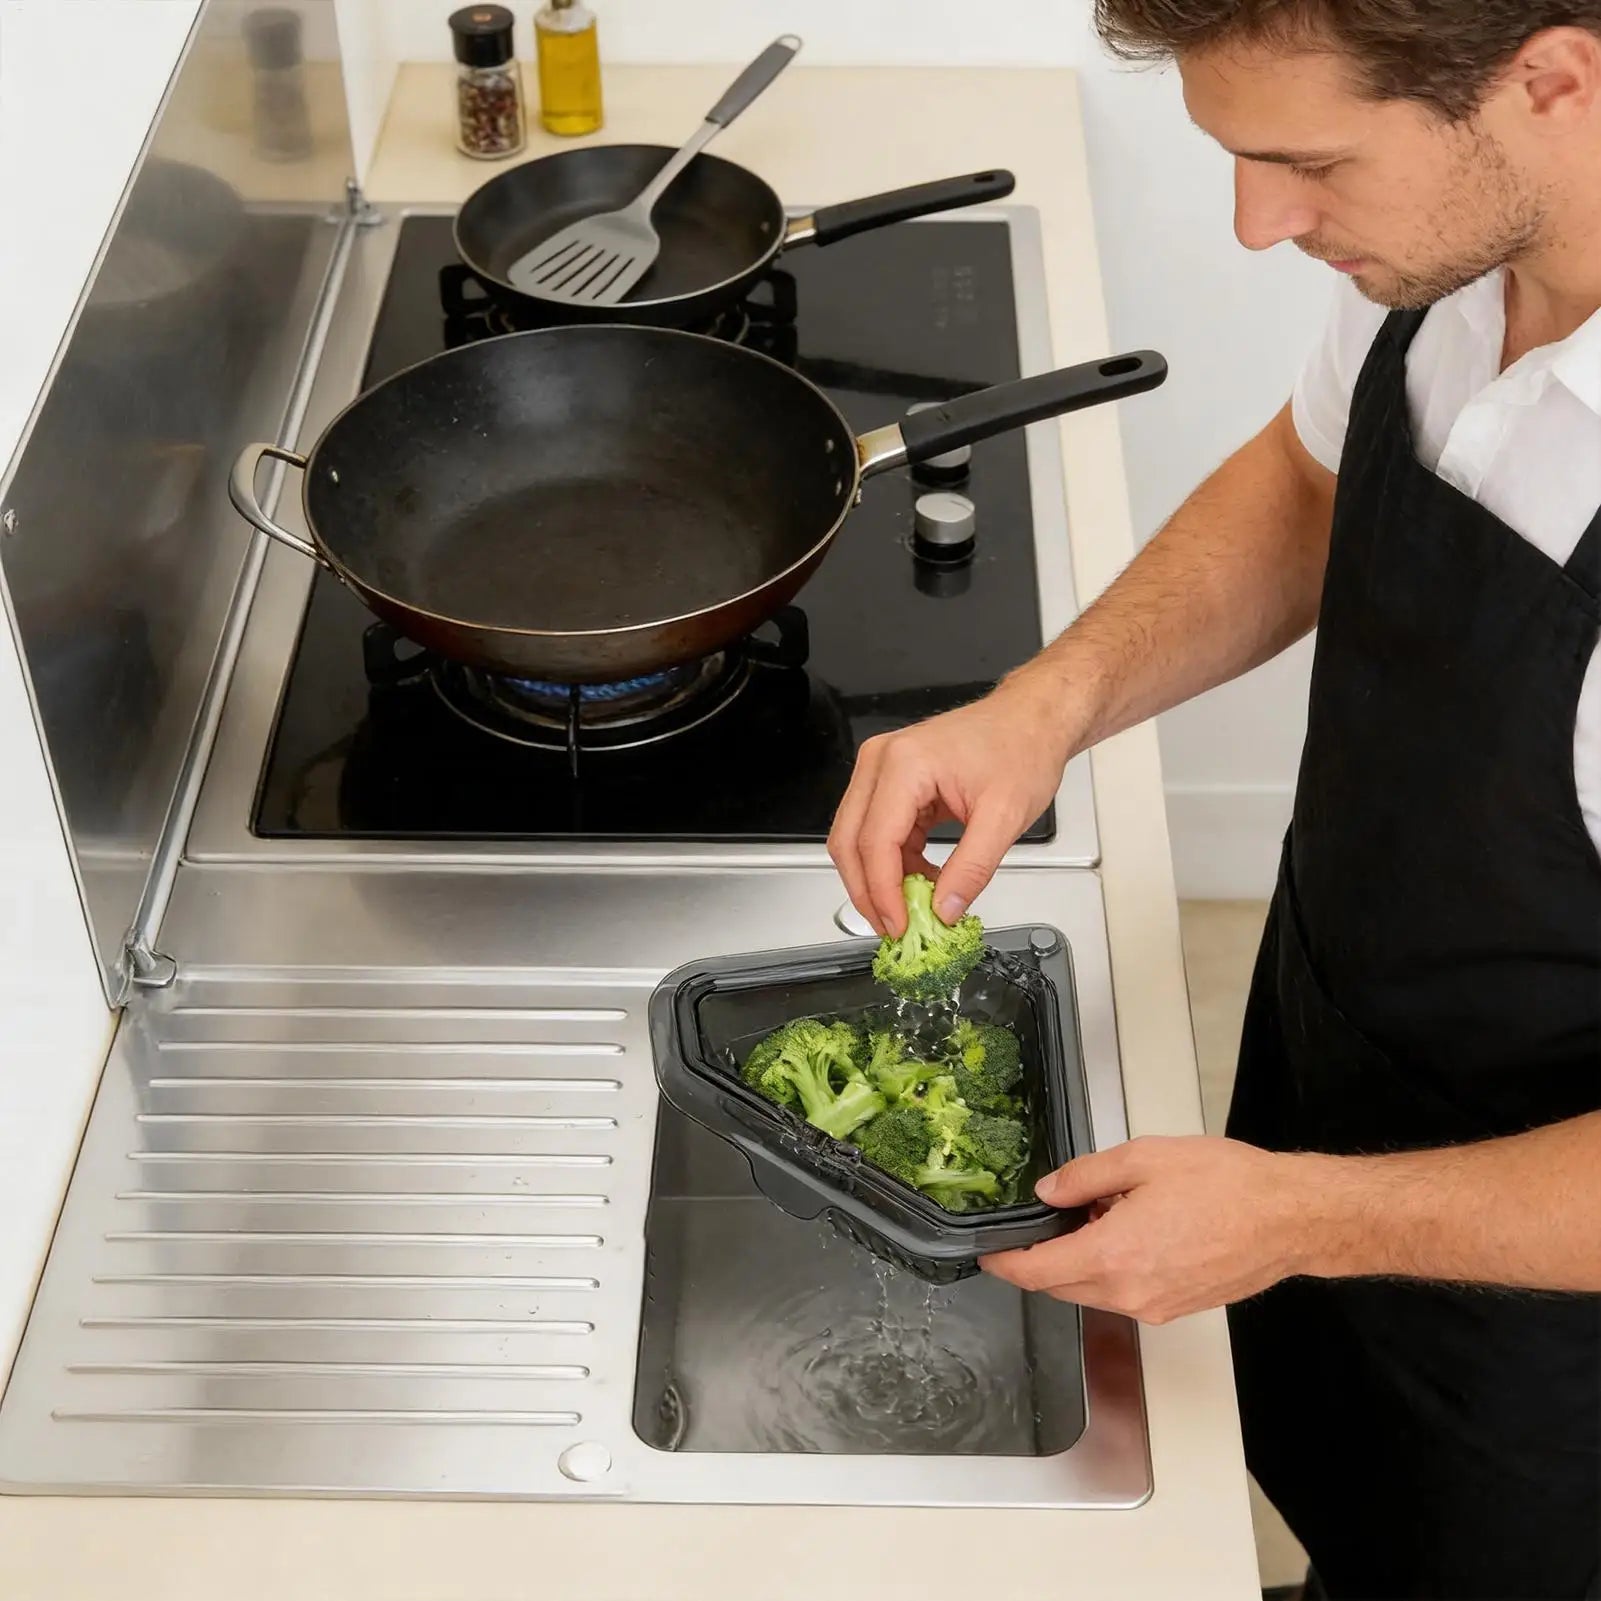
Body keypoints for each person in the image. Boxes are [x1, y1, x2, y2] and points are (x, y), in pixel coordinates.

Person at [828, 4, 1601, 1597]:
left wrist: (1302, 1214)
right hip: (1348, 1089)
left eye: (1305, 161)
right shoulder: (1467, 263)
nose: (1257, 226)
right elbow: (1314, 478)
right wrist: (1045, 704)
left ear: (1552, 78)